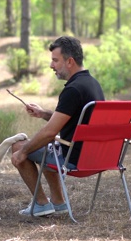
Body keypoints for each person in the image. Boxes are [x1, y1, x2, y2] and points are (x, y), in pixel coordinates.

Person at [11, 36, 105, 217]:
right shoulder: (91, 83)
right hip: (95, 157)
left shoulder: (73, 89)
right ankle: (58, 202)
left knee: (20, 145)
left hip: (74, 158)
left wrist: (23, 152)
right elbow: (73, 119)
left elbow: (50, 132)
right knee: (48, 145)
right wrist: (44, 114)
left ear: (70, 61)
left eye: (55, 60)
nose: (51, 65)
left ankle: (41, 203)